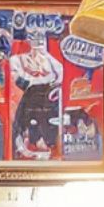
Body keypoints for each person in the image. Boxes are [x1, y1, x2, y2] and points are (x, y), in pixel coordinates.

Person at [10, 18, 63, 158]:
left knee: (48, 123)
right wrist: (29, 84)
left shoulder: (50, 60)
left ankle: (45, 145)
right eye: (34, 37)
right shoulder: (18, 59)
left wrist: (54, 86)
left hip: (48, 94)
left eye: (40, 37)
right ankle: (29, 144)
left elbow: (60, 74)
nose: (37, 41)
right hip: (31, 94)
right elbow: (16, 76)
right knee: (25, 123)